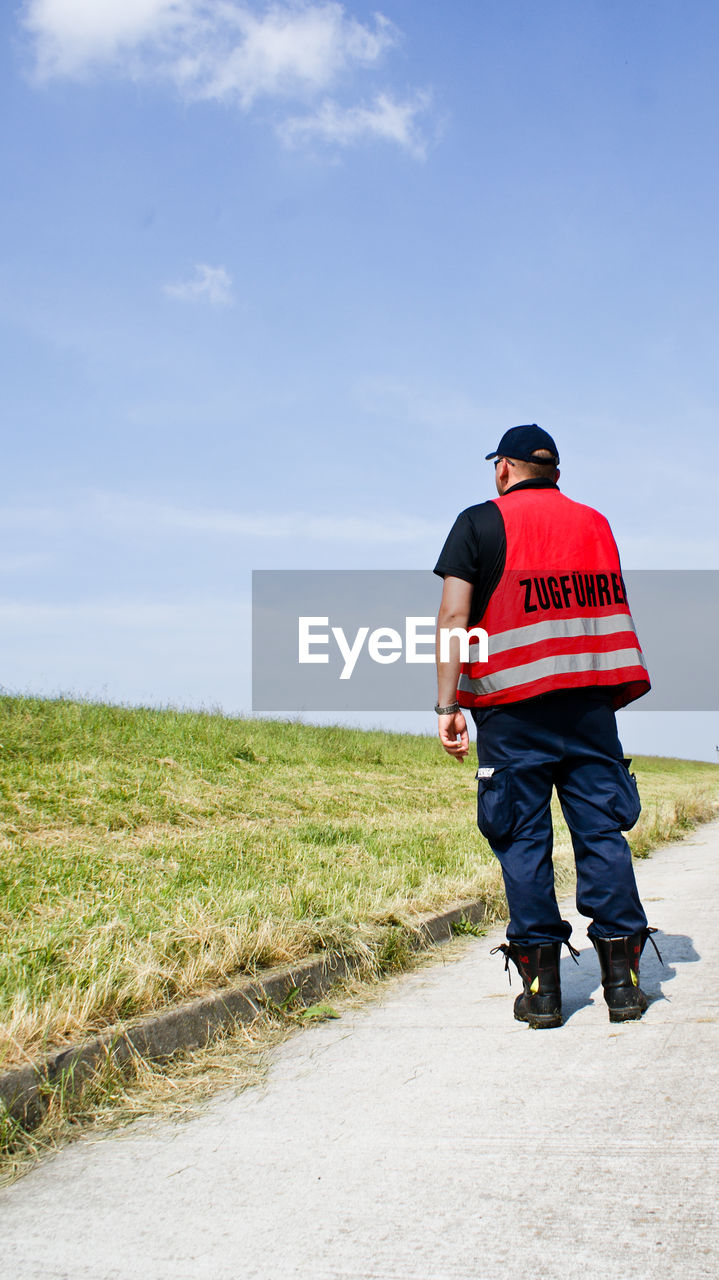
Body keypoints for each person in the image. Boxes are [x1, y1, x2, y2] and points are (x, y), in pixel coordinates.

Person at [433, 424, 660, 1029]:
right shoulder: (595, 523)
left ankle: (543, 990)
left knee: (522, 839)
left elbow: (456, 612)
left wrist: (445, 704)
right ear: (555, 472)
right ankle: (625, 983)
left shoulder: (479, 522)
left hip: (511, 711)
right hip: (588, 709)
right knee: (601, 833)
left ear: (504, 469)